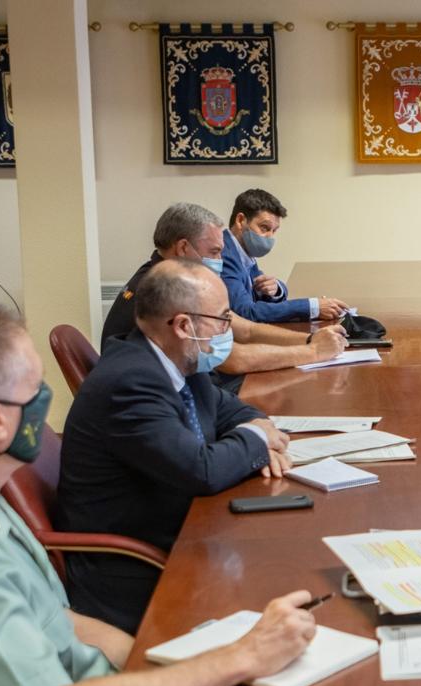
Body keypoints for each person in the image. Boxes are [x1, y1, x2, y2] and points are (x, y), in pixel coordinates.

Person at [0, 297, 316, 686]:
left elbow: (59, 620)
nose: (45, 403)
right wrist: (241, 658)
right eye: (34, 388)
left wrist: (167, 665)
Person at [58, 259, 294, 633]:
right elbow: (200, 470)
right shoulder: (130, 381)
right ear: (184, 325)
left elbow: (230, 408)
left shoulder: (176, 360)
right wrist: (257, 440)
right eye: (222, 318)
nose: (226, 329)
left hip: (188, 527)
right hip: (138, 567)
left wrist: (257, 425)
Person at [102, 203, 348, 392]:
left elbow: (245, 329)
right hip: (159, 394)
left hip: (191, 385)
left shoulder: (170, 276)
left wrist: (310, 339)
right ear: (183, 248)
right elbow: (231, 359)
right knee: (287, 387)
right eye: (215, 252)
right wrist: (313, 352)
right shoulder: (166, 290)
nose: (220, 261)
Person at [220, 188, 350, 323]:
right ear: (241, 220)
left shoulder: (243, 252)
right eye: (264, 227)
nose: (269, 237)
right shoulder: (222, 254)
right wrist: (312, 307)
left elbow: (262, 290)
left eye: (274, 231)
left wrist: (276, 289)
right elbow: (246, 313)